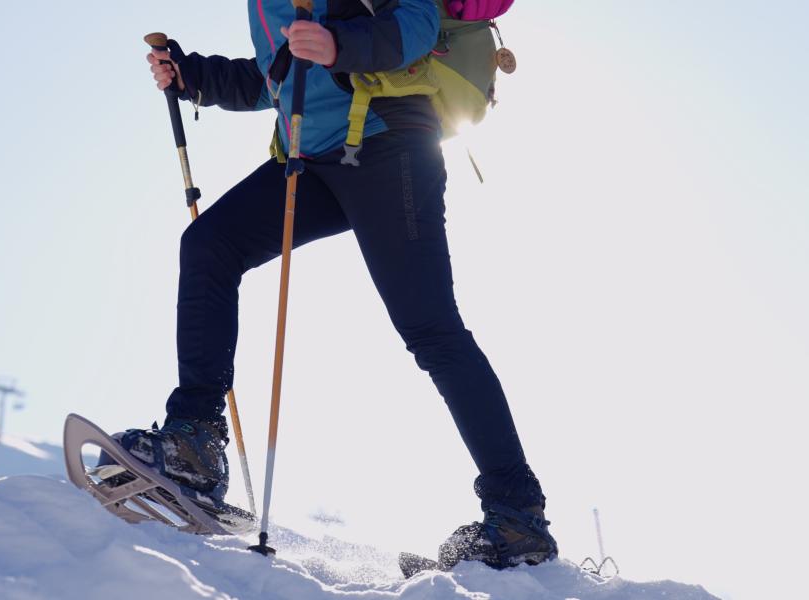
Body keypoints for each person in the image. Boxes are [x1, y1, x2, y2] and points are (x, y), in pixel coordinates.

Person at [115, 0, 557, 569]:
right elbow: (277, 75)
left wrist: (338, 46)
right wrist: (193, 75)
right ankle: (193, 447)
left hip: (390, 141)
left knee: (431, 329)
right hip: (313, 154)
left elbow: (416, 24)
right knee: (208, 246)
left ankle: (518, 517)